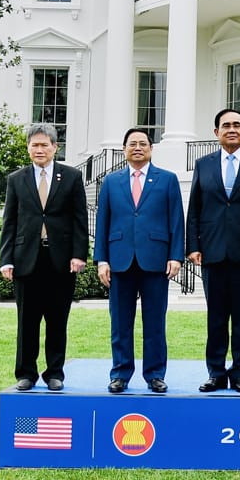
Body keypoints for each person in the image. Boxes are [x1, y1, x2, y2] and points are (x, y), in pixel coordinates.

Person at [186, 108, 240, 394]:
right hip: (211, 252)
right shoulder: (203, 164)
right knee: (215, 318)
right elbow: (195, 210)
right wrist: (193, 247)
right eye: (226, 125)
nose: (232, 129)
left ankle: (239, 374)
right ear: (216, 133)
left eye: (237, 125)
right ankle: (215, 372)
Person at [93, 128, 184, 393]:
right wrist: (101, 259)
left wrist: (176, 256)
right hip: (119, 260)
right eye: (132, 144)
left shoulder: (167, 180)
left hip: (155, 260)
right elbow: (103, 222)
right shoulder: (111, 182)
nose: (137, 148)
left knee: (155, 323)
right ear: (124, 149)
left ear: (151, 149)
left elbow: (176, 220)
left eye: (143, 143)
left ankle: (155, 374)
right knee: (120, 323)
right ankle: (120, 373)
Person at [0, 123, 88, 391]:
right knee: (27, 321)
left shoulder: (71, 177)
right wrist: (6, 259)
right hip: (27, 261)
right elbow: (9, 221)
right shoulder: (17, 179)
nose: (39, 149)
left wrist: (79, 254)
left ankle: (55, 373)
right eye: (34, 145)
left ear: (55, 148)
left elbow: (79, 218)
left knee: (57, 320)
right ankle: (26, 373)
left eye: (44, 145)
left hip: (60, 261)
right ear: (28, 148)